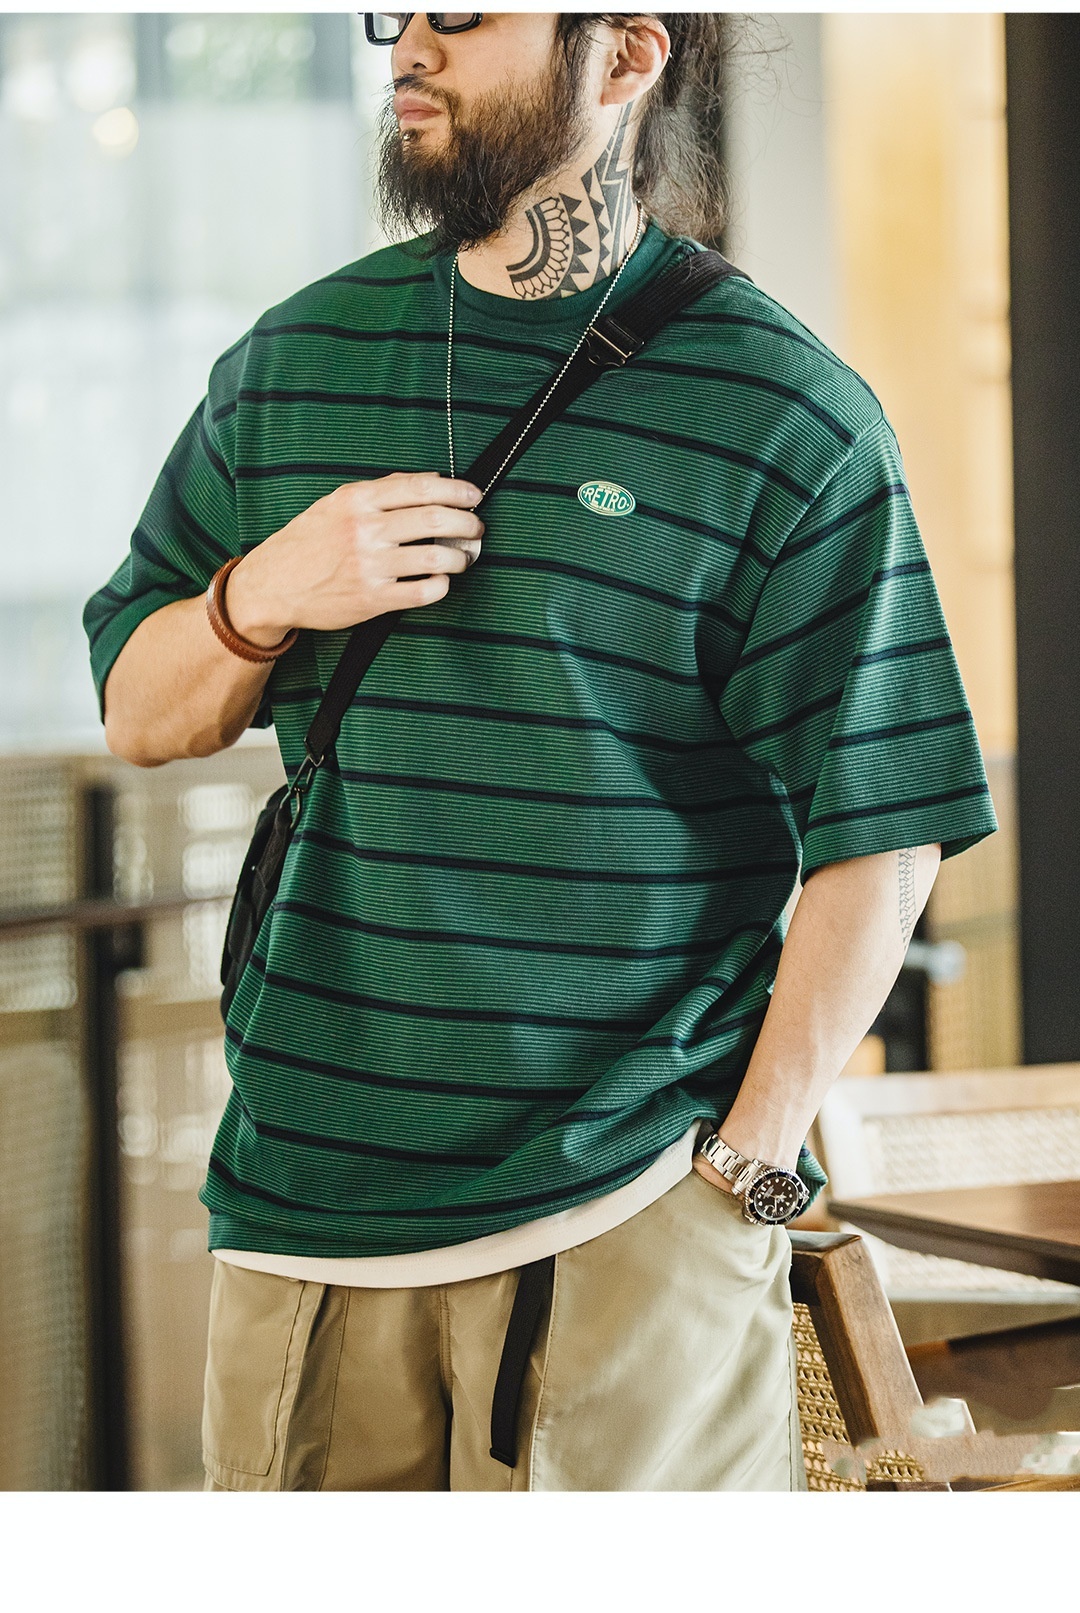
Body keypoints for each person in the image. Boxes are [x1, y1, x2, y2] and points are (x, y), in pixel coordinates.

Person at [83, 12, 997, 1492]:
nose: (409, 46)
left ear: (624, 59)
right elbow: (141, 710)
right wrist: (266, 592)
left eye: (462, 14)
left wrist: (748, 1165)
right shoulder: (295, 361)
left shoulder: (784, 409)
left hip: (629, 1217)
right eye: (396, 14)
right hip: (303, 1209)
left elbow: (884, 824)